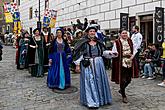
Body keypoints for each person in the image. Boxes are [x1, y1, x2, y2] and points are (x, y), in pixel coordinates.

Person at [74, 25, 112, 108]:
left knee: (99, 81)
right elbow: (79, 55)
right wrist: (77, 65)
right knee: (89, 82)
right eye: (90, 31)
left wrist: (111, 53)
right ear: (88, 32)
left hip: (99, 64)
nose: (92, 33)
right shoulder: (83, 43)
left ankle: (101, 99)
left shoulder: (99, 42)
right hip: (88, 64)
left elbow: (103, 53)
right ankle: (91, 101)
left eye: (93, 31)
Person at [111, 29, 138, 103]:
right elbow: (114, 52)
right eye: (123, 33)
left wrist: (133, 55)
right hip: (121, 62)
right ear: (120, 34)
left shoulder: (130, 41)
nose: (125, 34)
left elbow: (135, 49)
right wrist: (123, 54)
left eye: (126, 33)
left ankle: (121, 90)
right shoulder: (117, 42)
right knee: (122, 80)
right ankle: (123, 95)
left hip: (130, 62)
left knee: (129, 80)